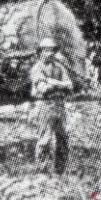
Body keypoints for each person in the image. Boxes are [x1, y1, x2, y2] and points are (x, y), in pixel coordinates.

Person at [29, 37, 73, 172]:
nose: (50, 53)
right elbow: (43, 88)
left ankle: (60, 170)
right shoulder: (37, 68)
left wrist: (52, 82)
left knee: (63, 138)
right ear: (41, 52)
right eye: (47, 50)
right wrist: (60, 85)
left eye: (52, 50)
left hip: (59, 105)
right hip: (45, 105)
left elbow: (70, 85)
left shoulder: (59, 67)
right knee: (45, 139)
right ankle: (42, 170)